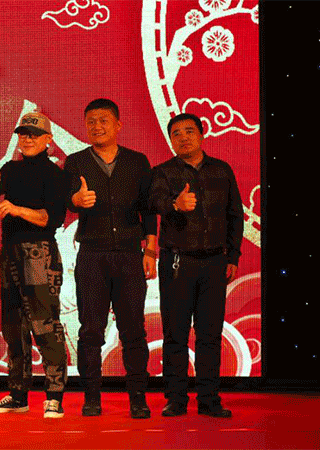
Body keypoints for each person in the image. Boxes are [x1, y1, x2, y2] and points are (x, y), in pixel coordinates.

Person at [63, 98, 157, 419]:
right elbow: (68, 200)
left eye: (103, 120)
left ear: (118, 125)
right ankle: (91, 397)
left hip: (130, 255)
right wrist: (77, 199)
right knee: (90, 330)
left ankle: (138, 398)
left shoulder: (137, 161)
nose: (96, 126)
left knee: (134, 331)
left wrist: (150, 250)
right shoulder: (76, 162)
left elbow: (149, 209)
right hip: (92, 255)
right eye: (90, 121)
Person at [149, 113, 243, 418]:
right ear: (170, 140)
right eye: (176, 133)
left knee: (209, 334)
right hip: (177, 262)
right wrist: (175, 205)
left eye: (189, 131)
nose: (183, 137)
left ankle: (209, 399)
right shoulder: (162, 172)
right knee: (174, 334)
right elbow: (153, 203)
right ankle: (176, 398)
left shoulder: (222, 170)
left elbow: (235, 215)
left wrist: (232, 257)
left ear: (202, 135)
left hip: (215, 262)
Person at [0, 112, 69, 419]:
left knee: (45, 326)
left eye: (34, 134)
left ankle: (54, 397)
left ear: (48, 140)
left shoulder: (55, 173)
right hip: (8, 253)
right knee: (13, 327)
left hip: (40, 253)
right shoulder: (9, 169)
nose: (28, 139)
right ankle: (18, 394)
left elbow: (51, 219)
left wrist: (17, 209)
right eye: (23, 134)